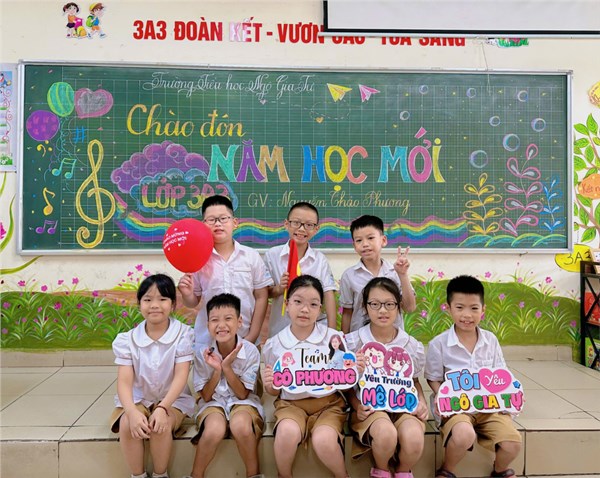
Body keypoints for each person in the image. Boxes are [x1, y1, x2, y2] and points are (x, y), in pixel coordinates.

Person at [425, 275, 522, 478]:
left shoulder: (491, 340)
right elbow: (433, 377)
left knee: (513, 443)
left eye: (474, 308)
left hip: (490, 407)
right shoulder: (439, 344)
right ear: (448, 308)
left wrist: (508, 399)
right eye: (460, 308)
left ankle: (499, 470)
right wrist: (442, 395)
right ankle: (447, 470)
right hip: (456, 408)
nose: (467, 315)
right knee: (464, 434)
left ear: (483, 310)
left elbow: (501, 375)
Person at [262, 275, 350, 478]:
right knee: (286, 432)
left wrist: (351, 373)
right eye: (298, 302)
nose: (304, 309)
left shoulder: (333, 340)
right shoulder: (275, 344)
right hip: (291, 405)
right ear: (287, 304)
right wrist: (270, 384)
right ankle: (284, 475)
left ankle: (343, 475)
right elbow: (273, 390)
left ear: (320, 309)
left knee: (324, 440)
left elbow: (344, 386)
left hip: (328, 405)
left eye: (313, 304)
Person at [110, 274, 195, 478]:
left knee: (160, 425)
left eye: (162, 299)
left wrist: (163, 408)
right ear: (139, 304)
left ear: (173, 304)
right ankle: (137, 475)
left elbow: (181, 376)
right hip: (139, 398)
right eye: (148, 299)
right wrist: (131, 412)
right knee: (127, 423)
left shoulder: (183, 335)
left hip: (172, 401)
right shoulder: (127, 340)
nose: (155, 305)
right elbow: (124, 382)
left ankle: (160, 474)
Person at [346, 277, 428, 478]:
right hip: (371, 410)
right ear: (365, 307)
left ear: (398, 307)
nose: (382, 310)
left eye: (389, 304)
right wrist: (357, 406)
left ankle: (402, 472)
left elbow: (414, 381)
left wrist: (421, 402)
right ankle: (381, 470)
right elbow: (345, 386)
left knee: (414, 437)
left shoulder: (410, 345)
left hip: (404, 407)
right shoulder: (353, 342)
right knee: (386, 434)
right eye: (375, 304)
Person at [178, 195, 272, 351]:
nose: (218, 224)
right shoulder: (198, 259)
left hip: (245, 339)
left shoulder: (251, 256)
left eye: (223, 218)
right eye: (211, 220)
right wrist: (187, 294)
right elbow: (192, 302)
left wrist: (252, 337)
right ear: (203, 225)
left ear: (234, 222)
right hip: (208, 343)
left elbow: (262, 297)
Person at [185, 293, 264, 478]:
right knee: (213, 429)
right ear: (208, 325)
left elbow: (243, 394)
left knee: (241, 427)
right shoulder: (203, 354)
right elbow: (205, 396)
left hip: (243, 402)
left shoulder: (250, 351)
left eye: (228, 318)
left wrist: (227, 367)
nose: (221, 325)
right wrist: (217, 370)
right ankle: (196, 475)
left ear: (239, 322)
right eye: (214, 320)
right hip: (213, 403)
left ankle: (253, 474)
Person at [263, 201, 337, 336]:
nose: (302, 229)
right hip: (281, 329)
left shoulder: (320, 260)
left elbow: (328, 294)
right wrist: (279, 289)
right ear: (286, 224)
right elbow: (264, 293)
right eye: (296, 223)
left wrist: (332, 333)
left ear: (316, 229)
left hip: (314, 331)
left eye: (309, 225)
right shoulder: (272, 256)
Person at [339, 215, 416, 334]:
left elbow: (410, 308)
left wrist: (402, 275)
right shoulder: (349, 276)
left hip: (393, 340)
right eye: (359, 240)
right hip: (360, 339)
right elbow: (347, 313)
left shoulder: (395, 271)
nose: (365, 244)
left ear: (383, 240)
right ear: (354, 246)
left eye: (370, 238)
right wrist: (344, 341)